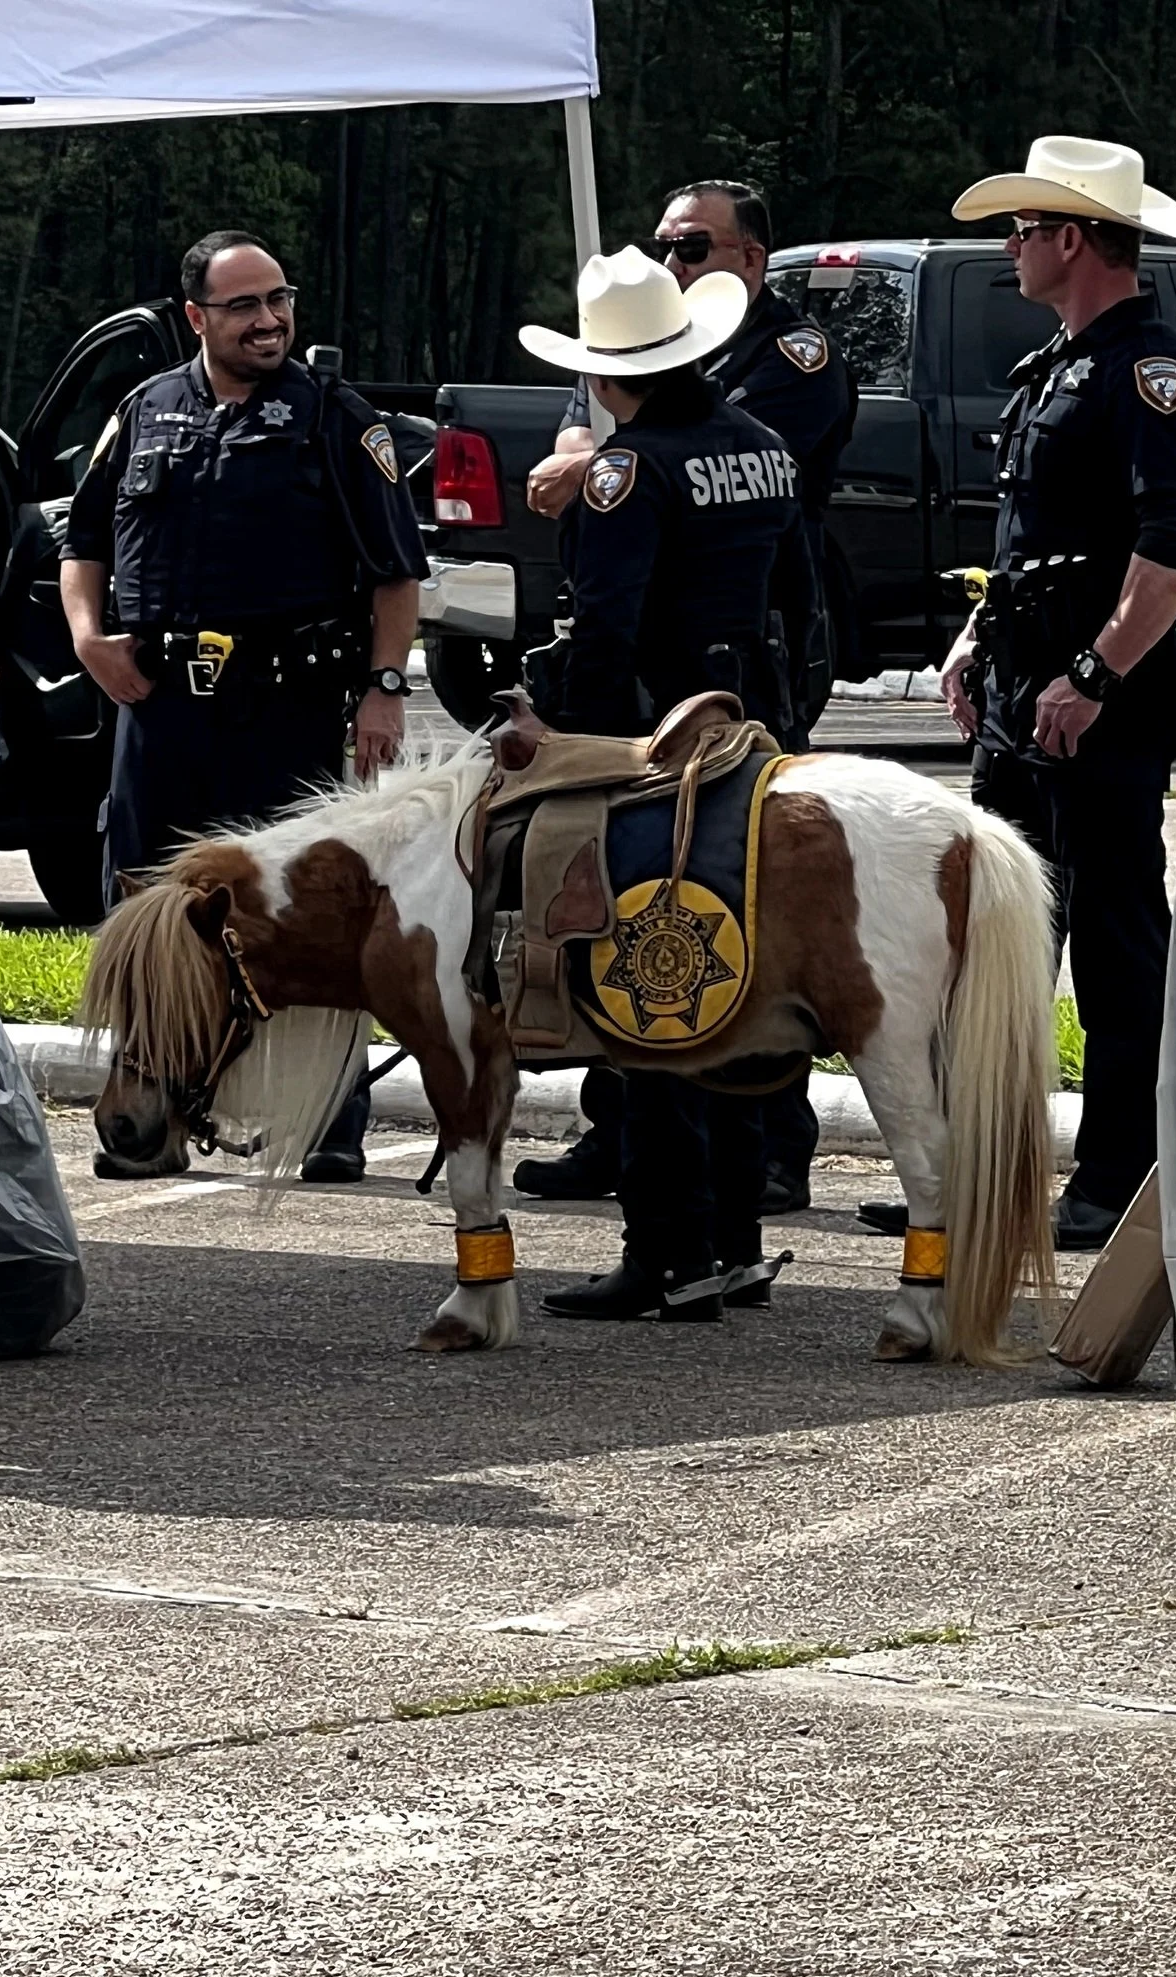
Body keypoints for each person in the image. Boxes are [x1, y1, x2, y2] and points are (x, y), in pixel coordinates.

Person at [861, 137, 1176, 1252]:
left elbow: (1170, 553)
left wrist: (1096, 675)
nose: (1009, 249)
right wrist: (978, 636)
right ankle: (980, 1174)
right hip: (1030, 685)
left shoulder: (1148, 374)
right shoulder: (1057, 367)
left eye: (1021, 230)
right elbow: (1034, 545)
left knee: (1113, 943)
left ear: (1072, 239)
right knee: (1000, 942)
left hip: (1096, 698)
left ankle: (1117, 1178)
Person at [516, 178, 853, 1215]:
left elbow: (609, 630)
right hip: (749, 720)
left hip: (654, 746)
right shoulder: (754, 449)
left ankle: (670, 1233)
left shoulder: (629, 471)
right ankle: (730, 1212)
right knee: (744, 949)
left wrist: (571, 742)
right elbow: (798, 586)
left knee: (651, 961)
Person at [61, 229, 426, 1182]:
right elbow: (85, 539)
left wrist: (383, 691)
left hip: (288, 702)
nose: (269, 321)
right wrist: (87, 636)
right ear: (196, 318)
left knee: (300, 914)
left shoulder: (334, 419)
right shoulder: (144, 410)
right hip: (162, 706)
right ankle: (152, 1120)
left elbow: (395, 576)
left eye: (278, 301)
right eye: (244, 307)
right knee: (148, 913)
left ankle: (326, 1123)